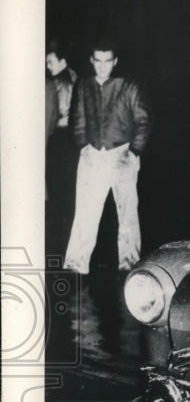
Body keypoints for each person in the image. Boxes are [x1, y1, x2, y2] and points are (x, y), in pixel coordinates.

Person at [64, 40, 151, 275]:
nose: (102, 66)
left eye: (107, 61)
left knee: (128, 214)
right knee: (85, 212)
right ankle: (75, 264)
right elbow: (78, 118)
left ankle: (129, 264)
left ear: (115, 62)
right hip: (92, 156)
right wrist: (83, 146)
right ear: (92, 61)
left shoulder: (129, 86)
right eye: (98, 61)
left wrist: (134, 151)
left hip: (121, 154)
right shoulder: (84, 85)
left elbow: (143, 120)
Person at [45, 40, 78, 249]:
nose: (47, 66)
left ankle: (59, 241)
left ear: (63, 62)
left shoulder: (60, 82)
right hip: (70, 141)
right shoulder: (73, 76)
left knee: (59, 192)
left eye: (50, 62)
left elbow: (62, 113)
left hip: (61, 138)